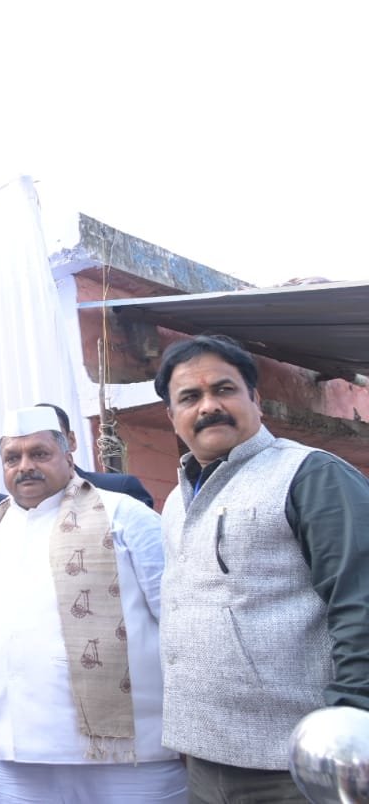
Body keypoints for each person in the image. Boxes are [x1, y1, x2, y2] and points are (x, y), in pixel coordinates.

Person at [154, 335, 369, 802]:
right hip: (207, 761)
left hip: (297, 765)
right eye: (190, 397)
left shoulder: (310, 475)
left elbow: (361, 604)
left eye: (225, 389)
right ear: (172, 417)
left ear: (256, 399)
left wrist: (350, 729)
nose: (209, 406)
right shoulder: (176, 501)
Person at [0, 406, 185, 802]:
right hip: (17, 750)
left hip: (128, 755)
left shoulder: (125, 515)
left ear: (67, 453)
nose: (25, 466)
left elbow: (180, 622)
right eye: (13, 457)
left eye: (39, 454)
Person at [36, 403, 155, 508]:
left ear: (71, 441)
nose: (43, 445)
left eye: (54, 437)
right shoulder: (21, 507)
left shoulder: (118, 489)